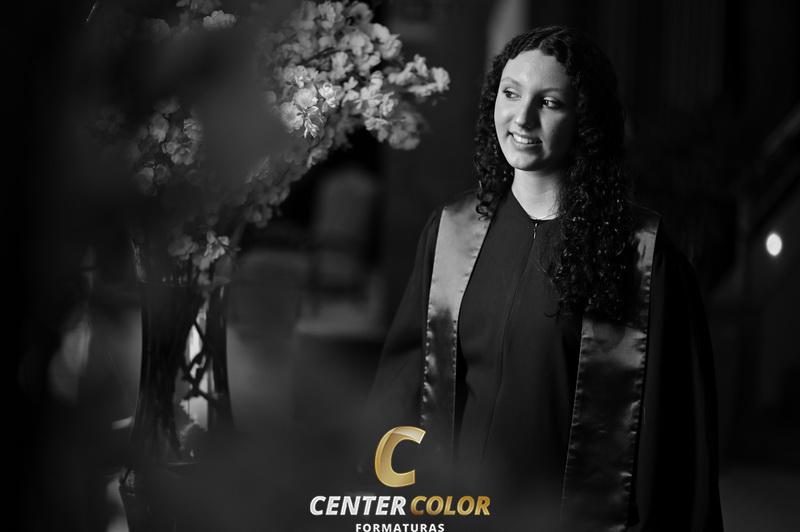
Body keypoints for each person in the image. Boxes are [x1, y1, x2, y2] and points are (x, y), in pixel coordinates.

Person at [364, 26, 723, 531]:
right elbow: (404, 389)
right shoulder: (450, 233)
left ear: (585, 120)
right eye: (511, 94)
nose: (522, 118)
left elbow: (676, 437)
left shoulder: (642, 257)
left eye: (549, 102)